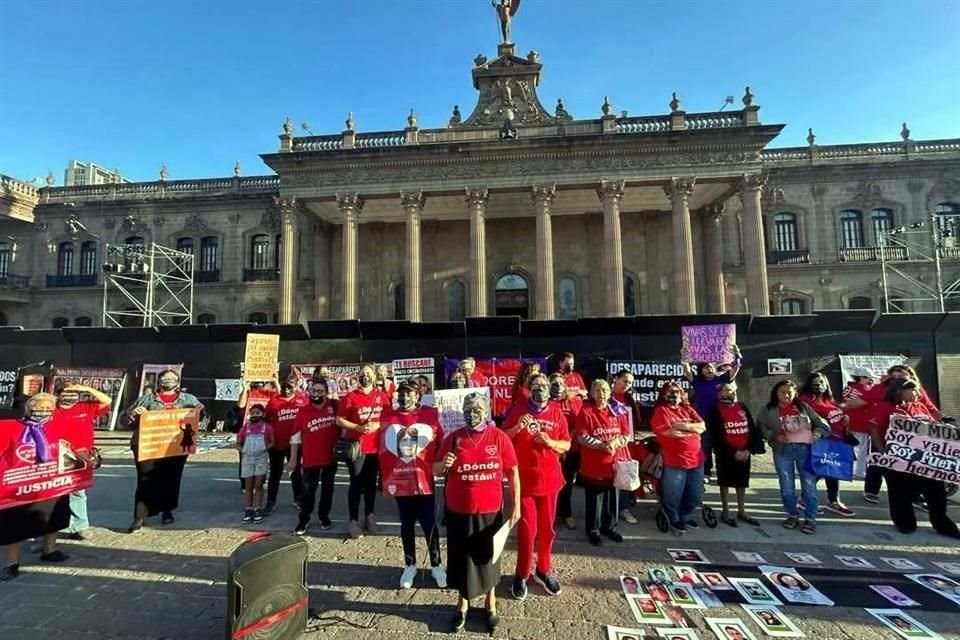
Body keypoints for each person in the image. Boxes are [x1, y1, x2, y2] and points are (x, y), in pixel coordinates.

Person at [435, 392, 520, 633]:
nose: (472, 415)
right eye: (468, 410)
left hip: (490, 511)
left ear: (486, 412)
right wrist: (445, 465)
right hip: (459, 510)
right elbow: (435, 469)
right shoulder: (453, 438)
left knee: (488, 559)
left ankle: (490, 603)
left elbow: (513, 471)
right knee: (462, 560)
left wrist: (516, 505)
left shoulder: (499, 437)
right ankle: (462, 604)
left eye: (477, 410)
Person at [502, 372, 570, 600]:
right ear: (528, 389)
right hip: (525, 484)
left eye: (544, 386)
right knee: (527, 531)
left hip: (550, 482)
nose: (540, 389)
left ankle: (543, 570)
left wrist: (551, 442)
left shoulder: (557, 412)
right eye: (536, 386)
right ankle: (521, 574)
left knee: (546, 531)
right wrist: (517, 428)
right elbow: (503, 439)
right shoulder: (518, 409)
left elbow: (566, 445)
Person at [378, 381, 447, 589]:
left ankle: (436, 565)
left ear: (418, 396)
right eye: (401, 394)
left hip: (424, 480)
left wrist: (440, 463)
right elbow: (379, 444)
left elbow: (442, 440)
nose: (405, 398)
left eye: (409, 394)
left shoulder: (430, 415)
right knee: (406, 524)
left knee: (429, 523)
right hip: (400, 480)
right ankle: (410, 565)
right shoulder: (387, 416)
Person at [869, 379, 959, 538]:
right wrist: (885, 454)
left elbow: (933, 428)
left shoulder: (919, 406)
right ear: (900, 391)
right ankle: (905, 523)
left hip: (925, 460)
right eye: (914, 390)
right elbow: (874, 430)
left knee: (936, 491)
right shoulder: (883, 407)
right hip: (897, 460)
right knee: (899, 493)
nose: (918, 394)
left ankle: (942, 523)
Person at [0, 394, 77, 581]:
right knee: (14, 524)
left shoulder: (60, 425)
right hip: (18, 484)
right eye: (39, 408)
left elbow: (71, 448)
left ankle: (50, 550)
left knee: (54, 516)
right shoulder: (9, 426)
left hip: (50, 482)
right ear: (28, 409)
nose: (43, 412)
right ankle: (11, 564)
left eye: (48, 409)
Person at [122, 368, 204, 532]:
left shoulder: (189, 399)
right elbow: (124, 420)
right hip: (148, 446)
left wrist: (200, 411)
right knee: (145, 480)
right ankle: (140, 516)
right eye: (165, 379)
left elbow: (199, 417)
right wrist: (134, 414)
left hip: (175, 446)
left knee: (171, 479)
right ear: (159, 382)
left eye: (172, 379)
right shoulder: (145, 400)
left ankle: (167, 510)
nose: (169, 381)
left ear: (178, 382)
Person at [857, 364, 941, 505]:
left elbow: (931, 413)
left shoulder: (918, 404)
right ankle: (872, 490)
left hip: (913, 451)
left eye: (900, 376)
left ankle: (915, 497)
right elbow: (873, 426)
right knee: (879, 466)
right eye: (894, 376)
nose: (916, 394)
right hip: (886, 446)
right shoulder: (883, 402)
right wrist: (883, 451)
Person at [757, 380, 829, 535]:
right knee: (786, 487)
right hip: (783, 451)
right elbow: (761, 427)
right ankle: (792, 515)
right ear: (776, 393)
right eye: (783, 391)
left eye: (790, 392)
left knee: (809, 486)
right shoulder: (769, 409)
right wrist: (774, 436)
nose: (786, 395)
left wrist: (816, 434)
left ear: (795, 393)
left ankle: (810, 519)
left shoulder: (803, 407)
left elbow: (822, 424)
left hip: (805, 450)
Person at [336, 363, 392, 539]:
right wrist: (357, 428)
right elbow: (339, 420)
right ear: (357, 377)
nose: (365, 376)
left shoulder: (381, 396)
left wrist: (377, 425)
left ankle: (370, 516)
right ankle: (353, 520)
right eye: (362, 374)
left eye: (368, 374)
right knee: (356, 483)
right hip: (357, 448)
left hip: (376, 448)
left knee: (370, 484)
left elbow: (389, 418)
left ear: (375, 377)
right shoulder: (350, 397)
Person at [53, 380, 112, 540]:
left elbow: (107, 401)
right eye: (67, 392)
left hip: (80, 457)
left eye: (75, 393)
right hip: (54, 456)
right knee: (51, 495)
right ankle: (44, 533)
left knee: (78, 493)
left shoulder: (86, 407)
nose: (71, 396)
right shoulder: (51, 409)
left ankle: (80, 526)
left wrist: (85, 388)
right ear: (58, 394)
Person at [575, 379, 630, 546]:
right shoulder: (586, 412)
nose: (602, 394)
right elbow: (582, 437)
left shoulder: (616, 410)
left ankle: (610, 527)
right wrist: (601, 445)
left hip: (614, 464)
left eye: (605, 390)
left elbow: (626, 434)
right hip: (594, 465)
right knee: (595, 500)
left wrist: (615, 443)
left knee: (612, 498)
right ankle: (594, 530)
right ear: (592, 393)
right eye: (598, 390)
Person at [650, 381, 706, 535]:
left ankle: (685, 515)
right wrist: (693, 432)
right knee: (673, 495)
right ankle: (673, 517)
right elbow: (668, 433)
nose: (674, 395)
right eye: (670, 392)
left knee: (694, 494)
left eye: (677, 391)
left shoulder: (687, 409)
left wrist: (684, 427)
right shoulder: (661, 411)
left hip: (696, 460)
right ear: (664, 394)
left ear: (682, 395)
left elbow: (702, 426)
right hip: (674, 461)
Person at [681, 344, 742, 483]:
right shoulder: (697, 382)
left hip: (721, 419)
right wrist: (684, 357)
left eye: (711, 367)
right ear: (701, 370)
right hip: (703, 419)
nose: (709, 369)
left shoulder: (720, 380)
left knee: (723, 445)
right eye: (706, 367)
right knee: (705, 445)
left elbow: (735, 369)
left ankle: (725, 472)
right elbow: (687, 370)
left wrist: (737, 355)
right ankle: (706, 472)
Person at [705, 381, 763, 527]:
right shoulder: (714, 410)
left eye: (729, 390)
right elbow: (716, 435)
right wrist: (733, 451)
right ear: (718, 394)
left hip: (744, 451)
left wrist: (748, 450)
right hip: (726, 452)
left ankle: (742, 510)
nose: (726, 393)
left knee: (742, 482)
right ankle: (726, 510)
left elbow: (752, 428)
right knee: (725, 481)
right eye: (722, 391)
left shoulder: (742, 406)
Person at [799, 372, 856, 517]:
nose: (818, 385)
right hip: (820, 441)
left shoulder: (828, 399)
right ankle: (804, 499)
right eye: (815, 383)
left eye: (821, 382)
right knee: (817, 471)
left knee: (833, 471)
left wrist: (845, 418)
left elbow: (836, 414)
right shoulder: (804, 400)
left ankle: (833, 501)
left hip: (837, 441)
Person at [290, 379, 339, 534]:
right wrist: (292, 459)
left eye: (320, 391)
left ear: (326, 392)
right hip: (311, 459)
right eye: (313, 391)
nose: (316, 394)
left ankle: (324, 516)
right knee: (308, 491)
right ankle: (303, 519)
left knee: (327, 489)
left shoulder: (334, 406)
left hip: (330, 458)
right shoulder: (303, 411)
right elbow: (295, 437)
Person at [263, 376, 308, 515]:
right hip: (277, 444)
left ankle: (298, 499)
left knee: (296, 473)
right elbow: (265, 420)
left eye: (290, 386)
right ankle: (271, 502)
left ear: (295, 386)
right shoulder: (274, 401)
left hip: (296, 444)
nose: (287, 388)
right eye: (284, 386)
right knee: (275, 474)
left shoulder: (302, 400)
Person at [610, 369, 642, 523]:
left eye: (630, 383)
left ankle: (623, 507)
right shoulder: (606, 396)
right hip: (608, 442)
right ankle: (610, 509)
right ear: (616, 379)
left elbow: (635, 421)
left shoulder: (628, 399)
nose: (627, 385)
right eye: (625, 381)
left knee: (623, 474)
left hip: (626, 443)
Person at [552, 373, 584, 530]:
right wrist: (556, 446)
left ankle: (566, 513)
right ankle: (552, 514)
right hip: (551, 451)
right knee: (552, 485)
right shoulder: (546, 403)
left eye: (560, 383)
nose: (558, 387)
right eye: (554, 384)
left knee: (567, 484)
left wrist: (567, 443)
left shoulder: (574, 402)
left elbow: (578, 425)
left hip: (570, 450)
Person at [236, 403, 274, 522]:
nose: (255, 415)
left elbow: (273, 442)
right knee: (248, 485)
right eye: (252, 413)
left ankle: (258, 507)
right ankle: (248, 508)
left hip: (261, 458)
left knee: (258, 485)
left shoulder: (267, 428)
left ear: (263, 414)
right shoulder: (245, 428)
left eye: (257, 413)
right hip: (247, 459)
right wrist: (242, 450)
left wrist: (265, 449)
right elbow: (238, 443)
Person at [840, 367, 875, 480]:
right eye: (868, 378)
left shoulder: (848, 388)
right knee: (863, 449)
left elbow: (845, 403)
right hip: (862, 422)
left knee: (848, 447)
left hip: (848, 421)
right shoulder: (867, 390)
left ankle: (845, 470)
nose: (870, 380)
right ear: (861, 378)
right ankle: (860, 472)